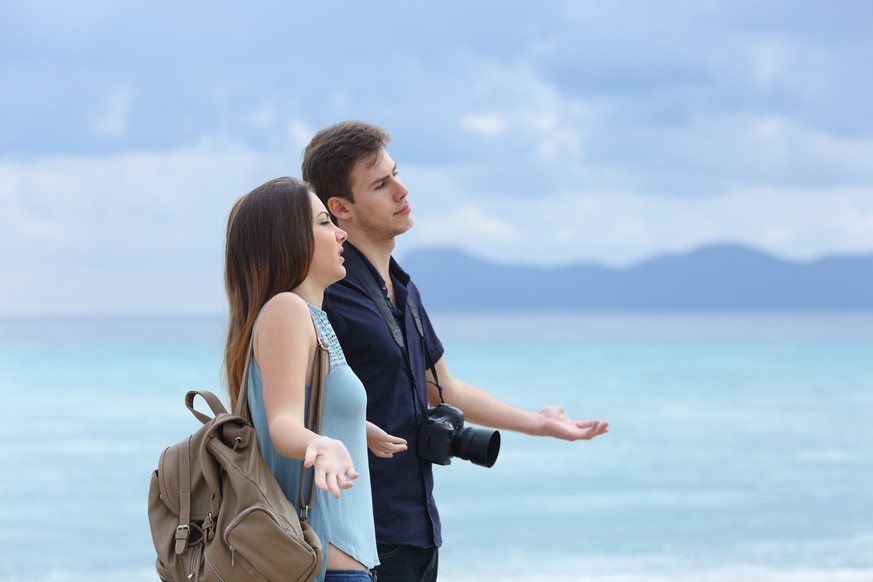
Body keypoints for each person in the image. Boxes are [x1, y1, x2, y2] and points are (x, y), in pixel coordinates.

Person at [301, 121, 610, 581]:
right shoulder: (325, 294)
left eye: (396, 175)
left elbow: (442, 388)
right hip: (353, 536)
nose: (403, 191)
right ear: (340, 208)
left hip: (418, 529)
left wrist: (538, 423)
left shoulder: (402, 288)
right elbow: (286, 399)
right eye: (382, 184)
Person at [223, 176, 407, 582]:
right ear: (288, 239)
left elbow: (301, 408)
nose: (341, 233)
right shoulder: (287, 310)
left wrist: (354, 428)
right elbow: (284, 424)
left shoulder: (311, 318)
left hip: (342, 566)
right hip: (327, 568)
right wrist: (323, 445)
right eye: (325, 222)